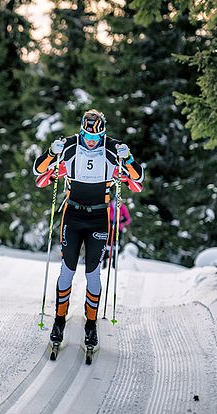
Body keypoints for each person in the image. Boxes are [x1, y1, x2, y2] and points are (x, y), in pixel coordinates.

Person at [32, 109, 144, 348]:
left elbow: (137, 183)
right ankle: (59, 320)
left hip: (99, 218)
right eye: (86, 136)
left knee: (93, 273)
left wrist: (130, 159)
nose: (91, 141)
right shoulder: (71, 147)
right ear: (81, 131)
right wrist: (52, 153)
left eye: (95, 137)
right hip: (72, 216)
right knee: (67, 270)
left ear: (103, 133)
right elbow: (40, 173)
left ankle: (91, 325)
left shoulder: (113, 150)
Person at [103, 198, 131, 268]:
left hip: (118, 228)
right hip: (109, 228)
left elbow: (128, 219)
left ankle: (114, 262)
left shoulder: (123, 207)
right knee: (107, 244)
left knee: (116, 245)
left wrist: (122, 221)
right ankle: (105, 261)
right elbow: (105, 215)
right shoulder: (110, 206)